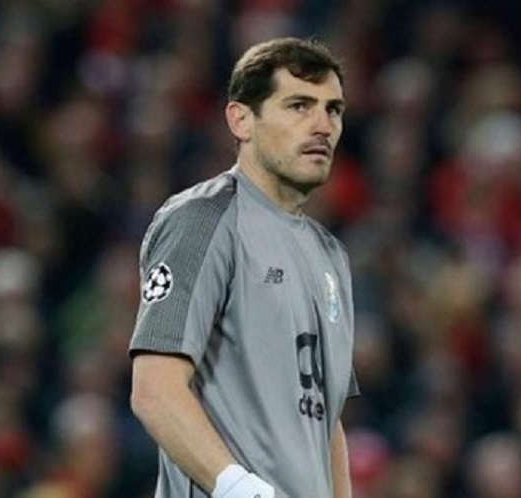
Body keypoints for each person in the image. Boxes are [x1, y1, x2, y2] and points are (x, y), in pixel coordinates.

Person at [128, 37, 358, 498]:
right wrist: (238, 488)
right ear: (240, 120)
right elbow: (154, 389)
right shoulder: (203, 220)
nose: (322, 126)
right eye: (299, 106)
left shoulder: (331, 255)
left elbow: (325, 419)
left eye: (333, 110)